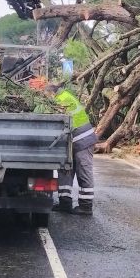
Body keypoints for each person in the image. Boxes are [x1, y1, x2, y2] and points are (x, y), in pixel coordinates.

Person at [46, 82, 96, 215]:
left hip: (82, 139)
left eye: (46, 95)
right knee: (65, 170)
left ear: (52, 93)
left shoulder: (61, 100)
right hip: (71, 140)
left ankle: (86, 206)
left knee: (83, 171)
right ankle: (65, 202)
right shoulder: (62, 96)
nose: (45, 98)